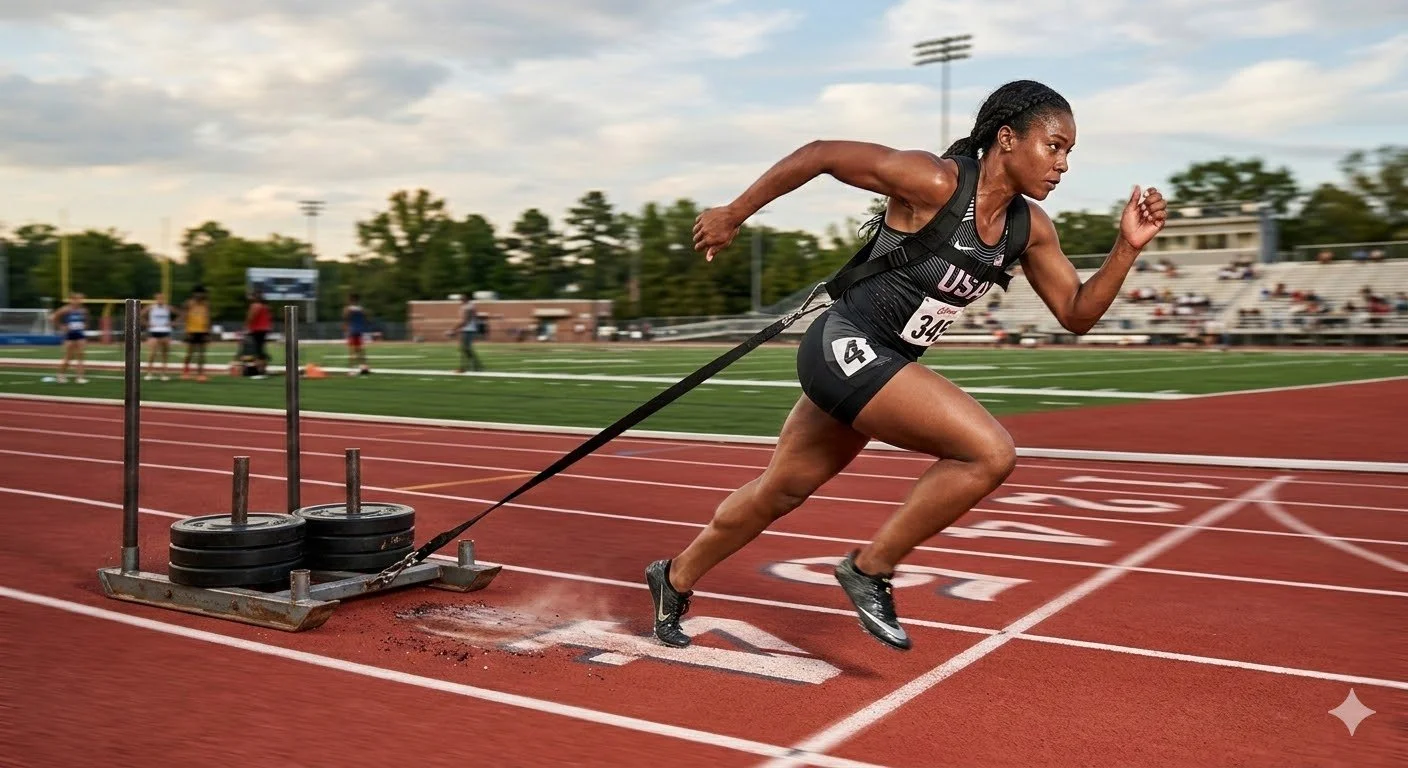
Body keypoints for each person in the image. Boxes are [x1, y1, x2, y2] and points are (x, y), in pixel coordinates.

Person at [644, 80, 1167, 650]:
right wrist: (733, 212)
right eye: (1055, 146)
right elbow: (822, 154)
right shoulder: (935, 182)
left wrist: (1127, 249)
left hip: (882, 362)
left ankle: (673, 578)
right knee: (989, 453)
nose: (1063, 164)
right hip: (844, 342)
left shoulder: (1028, 229)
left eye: (1070, 153)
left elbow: (1075, 313)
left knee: (781, 490)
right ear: (1008, 138)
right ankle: (870, 568)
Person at [50, 293, 89, 384]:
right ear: (72, 300)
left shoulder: (83, 310)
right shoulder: (66, 309)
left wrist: (85, 325)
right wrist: (61, 326)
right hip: (69, 335)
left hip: (80, 334)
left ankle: (80, 377)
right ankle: (61, 375)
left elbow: (86, 320)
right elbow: (53, 318)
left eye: (81, 299)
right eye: (77, 299)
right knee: (69, 357)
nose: (79, 301)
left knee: (81, 355)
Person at [142, 292, 178, 381]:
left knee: (165, 354)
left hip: (165, 332)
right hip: (153, 332)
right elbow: (140, 315)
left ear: (164, 299)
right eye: (158, 298)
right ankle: (149, 373)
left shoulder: (168, 308)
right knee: (152, 353)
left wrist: (173, 322)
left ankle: (164, 373)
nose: (160, 300)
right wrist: (147, 323)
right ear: (156, 299)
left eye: (162, 298)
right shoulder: (151, 307)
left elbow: (180, 314)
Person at [181, 286, 212, 382]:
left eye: (202, 293)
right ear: (194, 294)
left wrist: (208, 331)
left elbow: (208, 317)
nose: (200, 295)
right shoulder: (189, 303)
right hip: (192, 330)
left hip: (203, 331)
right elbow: (185, 317)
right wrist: (186, 331)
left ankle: (201, 374)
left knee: (202, 354)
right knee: (190, 353)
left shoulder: (206, 304)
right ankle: (185, 372)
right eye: (198, 293)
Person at [243, 291, 273, 377]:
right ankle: (263, 369)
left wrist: (246, 327)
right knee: (261, 349)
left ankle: (259, 370)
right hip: (264, 329)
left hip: (256, 330)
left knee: (257, 351)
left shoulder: (255, 306)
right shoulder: (265, 306)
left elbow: (251, 317)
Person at [453, 295, 483, 373]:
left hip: (468, 329)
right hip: (468, 329)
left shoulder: (468, 307)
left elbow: (466, 320)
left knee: (465, 348)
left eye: (461, 299)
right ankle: (476, 365)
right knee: (466, 349)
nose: (460, 301)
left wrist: (454, 329)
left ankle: (464, 367)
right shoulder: (468, 307)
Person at [343, 293, 371, 376]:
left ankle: (351, 370)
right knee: (361, 350)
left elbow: (345, 318)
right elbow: (366, 319)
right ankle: (364, 367)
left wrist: (346, 329)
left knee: (352, 351)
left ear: (351, 300)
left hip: (352, 331)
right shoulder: (361, 309)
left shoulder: (348, 309)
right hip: (360, 331)